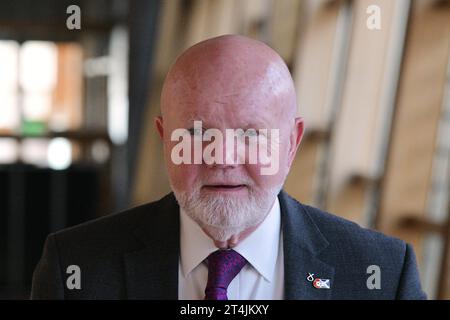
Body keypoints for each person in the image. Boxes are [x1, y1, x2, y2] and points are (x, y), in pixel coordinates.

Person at [31, 35, 426, 300]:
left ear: (292, 143)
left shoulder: (382, 276)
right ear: (165, 139)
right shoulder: (77, 269)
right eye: (198, 133)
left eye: (252, 134)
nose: (223, 157)